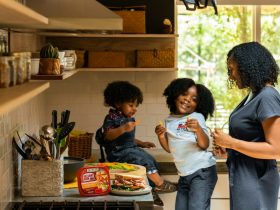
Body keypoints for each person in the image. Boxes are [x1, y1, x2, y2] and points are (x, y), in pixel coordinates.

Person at [212, 42, 280, 210]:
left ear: (247, 67)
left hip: (257, 182)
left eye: (232, 69)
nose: (231, 76)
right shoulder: (253, 95)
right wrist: (229, 151)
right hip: (244, 178)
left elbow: (276, 149)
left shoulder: (267, 96)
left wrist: (231, 143)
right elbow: (254, 140)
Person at [100, 81, 177, 197]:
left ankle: (151, 183)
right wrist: (123, 129)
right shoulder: (112, 118)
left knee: (150, 159)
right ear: (117, 103)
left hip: (129, 148)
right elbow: (107, 136)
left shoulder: (126, 117)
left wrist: (141, 143)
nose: (134, 109)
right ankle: (159, 184)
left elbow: (126, 139)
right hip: (117, 153)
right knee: (143, 161)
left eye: (136, 106)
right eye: (131, 105)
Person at [155, 78, 217, 210]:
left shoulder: (196, 117)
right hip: (184, 175)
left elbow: (204, 144)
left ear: (199, 104)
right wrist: (161, 136)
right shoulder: (169, 120)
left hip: (202, 172)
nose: (188, 99)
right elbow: (169, 148)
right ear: (175, 95)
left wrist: (198, 129)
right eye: (184, 94)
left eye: (194, 99)